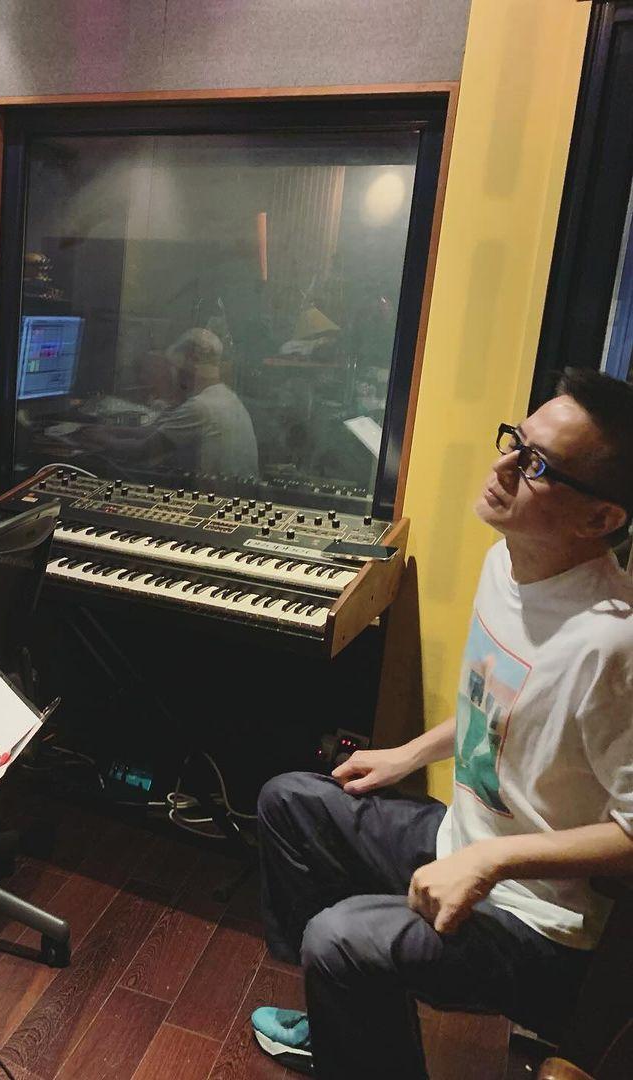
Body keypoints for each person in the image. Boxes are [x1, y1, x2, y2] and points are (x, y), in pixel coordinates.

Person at [252, 368, 633, 1079]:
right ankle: (340, 1023)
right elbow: (501, 710)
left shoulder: (615, 644)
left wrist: (490, 863)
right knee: (290, 803)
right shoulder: (505, 564)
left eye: (537, 465)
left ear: (601, 519)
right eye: (515, 441)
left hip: (540, 923)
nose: (503, 467)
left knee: (340, 937)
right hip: (464, 840)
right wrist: (407, 754)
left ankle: (349, 1023)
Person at [83, 328, 259, 481]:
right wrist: (110, 430)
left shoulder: (200, 407)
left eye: (174, 366)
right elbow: (158, 432)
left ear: (189, 363)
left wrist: (100, 439)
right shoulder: (225, 396)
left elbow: (143, 451)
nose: (173, 374)